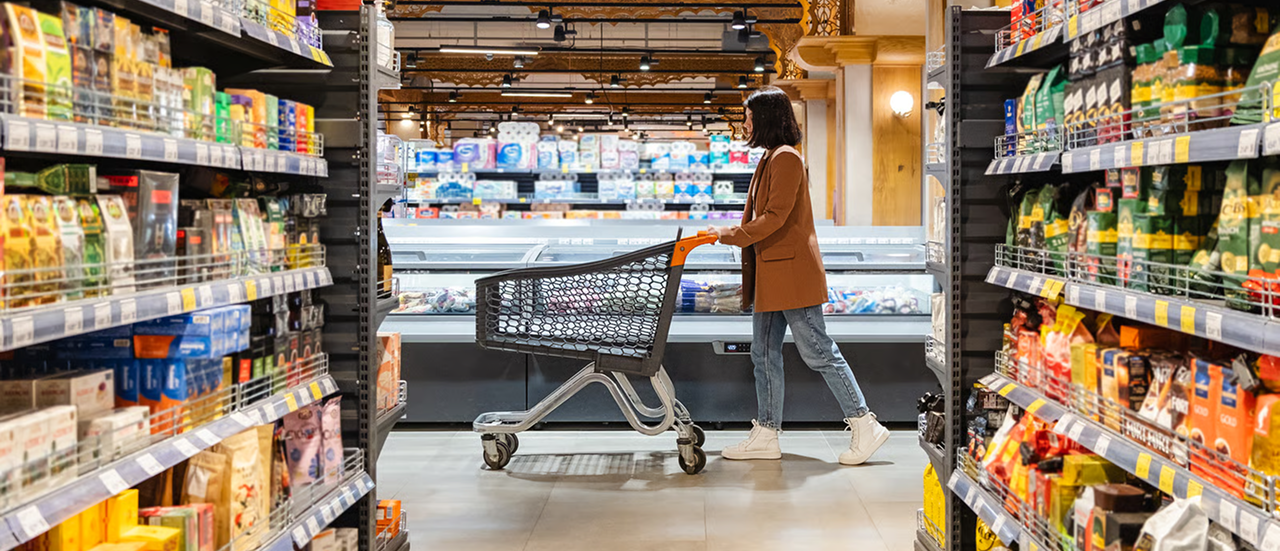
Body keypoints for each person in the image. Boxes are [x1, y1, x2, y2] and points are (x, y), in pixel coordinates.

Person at [708, 86, 889, 465]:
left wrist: (730, 235)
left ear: (766, 119)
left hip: (791, 274)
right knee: (763, 353)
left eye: (749, 116)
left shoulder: (786, 159)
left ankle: (864, 423)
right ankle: (767, 433)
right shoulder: (771, 158)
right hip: (774, 274)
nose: (745, 123)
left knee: (818, 351)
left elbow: (774, 217)